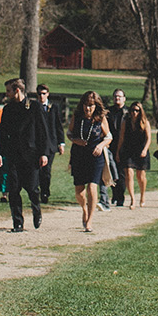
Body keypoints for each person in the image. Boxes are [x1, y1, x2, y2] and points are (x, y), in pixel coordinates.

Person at [0, 77, 49, 232]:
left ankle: (36, 210)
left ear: (17, 90)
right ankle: (17, 222)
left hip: (31, 155)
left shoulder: (34, 107)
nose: (7, 94)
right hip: (13, 155)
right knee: (14, 189)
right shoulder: (8, 109)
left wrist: (44, 153)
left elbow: (42, 131)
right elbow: (2, 132)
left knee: (32, 188)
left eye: (8, 91)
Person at [67, 90, 113, 231]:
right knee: (79, 191)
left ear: (96, 106)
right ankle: (84, 209)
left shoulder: (101, 119)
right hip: (79, 155)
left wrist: (100, 145)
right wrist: (75, 140)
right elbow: (69, 133)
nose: (88, 109)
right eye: (86, 105)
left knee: (92, 187)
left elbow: (109, 136)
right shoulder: (77, 117)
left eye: (91, 106)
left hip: (95, 156)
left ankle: (90, 220)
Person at [115, 98, 152, 207]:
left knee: (140, 176)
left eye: (137, 110)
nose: (134, 113)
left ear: (141, 112)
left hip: (141, 150)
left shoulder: (145, 122)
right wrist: (118, 152)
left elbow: (149, 138)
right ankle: (132, 199)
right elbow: (121, 138)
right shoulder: (125, 122)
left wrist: (145, 150)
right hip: (128, 150)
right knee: (128, 174)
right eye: (132, 110)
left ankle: (142, 195)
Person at [37, 84, 65, 204]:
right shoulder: (34, 107)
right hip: (37, 144)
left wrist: (61, 143)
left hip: (50, 144)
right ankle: (37, 190)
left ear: (48, 94)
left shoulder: (53, 108)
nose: (41, 96)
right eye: (39, 94)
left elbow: (59, 126)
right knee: (37, 169)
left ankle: (45, 192)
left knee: (46, 170)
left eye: (44, 93)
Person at [101, 90, 127, 208]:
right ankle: (114, 195)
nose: (117, 98)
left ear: (124, 99)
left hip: (123, 146)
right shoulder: (108, 112)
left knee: (121, 173)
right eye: (115, 96)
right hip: (110, 144)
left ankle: (120, 196)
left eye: (120, 96)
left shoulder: (127, 113)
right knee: (110, 170)